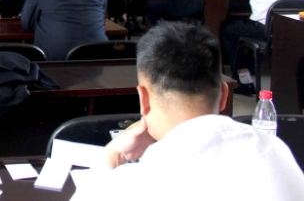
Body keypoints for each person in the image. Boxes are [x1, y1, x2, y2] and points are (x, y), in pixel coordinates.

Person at [70, 22, 304, 201]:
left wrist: (111, 155)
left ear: (144, 99)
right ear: (224, 95)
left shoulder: (135, 184)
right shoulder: (275, 151)